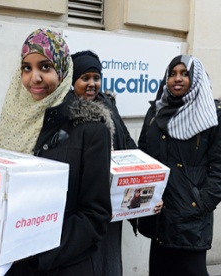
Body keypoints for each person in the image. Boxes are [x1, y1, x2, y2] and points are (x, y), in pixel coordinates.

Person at [0, 28, 113, 275]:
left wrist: (37, 250)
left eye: (45, 67)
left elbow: (95, 217)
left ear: (62, 70)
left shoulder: (91, 130)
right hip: (11, 264)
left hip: (62, 266)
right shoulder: (14, 121)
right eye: (27, 68)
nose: (34, 77)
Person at [138, 55, 221, 276]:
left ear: (197, 78)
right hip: (158, 217)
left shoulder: (215, 114)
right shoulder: (156, 112)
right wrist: (146, 195)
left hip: (190, 220)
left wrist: (199, 203)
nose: (177, 79)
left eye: (185, 73)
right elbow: (144, 155)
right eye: (172, 74)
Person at [70, 49, 163, 276]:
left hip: (114, 206)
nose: (92, 84)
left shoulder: (109, 106)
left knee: (109, 263)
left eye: (96, 78)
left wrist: (150, 189)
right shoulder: (66, 111)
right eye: (85, 78)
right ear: (72, 82)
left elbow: (129, 145)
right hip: (82, 207)